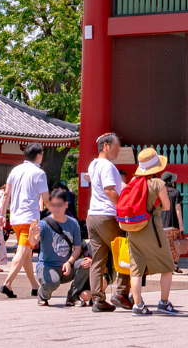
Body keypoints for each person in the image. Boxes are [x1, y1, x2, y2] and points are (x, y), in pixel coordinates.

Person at [121, 148, 180, 315]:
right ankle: (164, 303)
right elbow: (167, 207)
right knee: (168, 265)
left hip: (132, 227)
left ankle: (138, 305)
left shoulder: (133, 183)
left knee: (136, 268)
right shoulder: (158, 183)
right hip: (152, 228)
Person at [1, 143, 49, 300]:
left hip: (15, 217)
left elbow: (7, 193)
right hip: (31, 218)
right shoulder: (39, 173)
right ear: (38, 156)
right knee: (22, 251)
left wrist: (2, 214)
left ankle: (35, 286)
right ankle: (7, 283)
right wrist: (56, 212)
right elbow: (46, 199)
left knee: (27, 253)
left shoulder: (15, 170)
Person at [84, 132, 125, 313]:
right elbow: (109, 190)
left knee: (98, 259)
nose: (119, 149)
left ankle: (98, 300)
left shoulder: (93, 164)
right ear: (107, 146)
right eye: (116, 145)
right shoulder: (108, 166)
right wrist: (122, 207)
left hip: (92, 216)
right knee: (123, 252)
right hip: (107, 216)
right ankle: (122, 293)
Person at [35, 188, 85, 306]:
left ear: (66, 205)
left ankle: (73, 296)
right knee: (52, 282)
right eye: (53, 205)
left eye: (59, 205)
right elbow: (33, 242)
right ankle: (42, 294)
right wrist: (33, 234)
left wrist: (69, 262)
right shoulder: (44, 224)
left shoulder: (73, 223)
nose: (56, 208)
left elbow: (77, 248)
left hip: (66, 267)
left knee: (85, 263)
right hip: (47, 266)